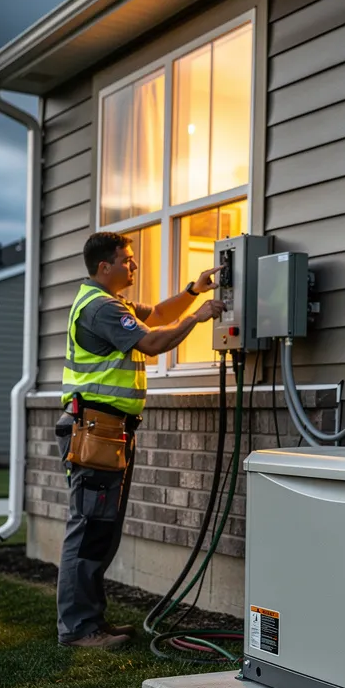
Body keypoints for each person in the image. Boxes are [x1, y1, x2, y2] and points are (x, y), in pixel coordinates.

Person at [55, 231, 224, 649]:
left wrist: (191, 291)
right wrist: (197, 317)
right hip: (96, 431)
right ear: (104, 267)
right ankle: (78, 629)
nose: (133, 266)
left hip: (106, 432)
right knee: (90, 530)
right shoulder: (101, 309)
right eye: (126, 260)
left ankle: (91, 621)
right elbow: (151, 341)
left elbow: (158, 313)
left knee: (100, 530)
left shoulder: (114, 304)